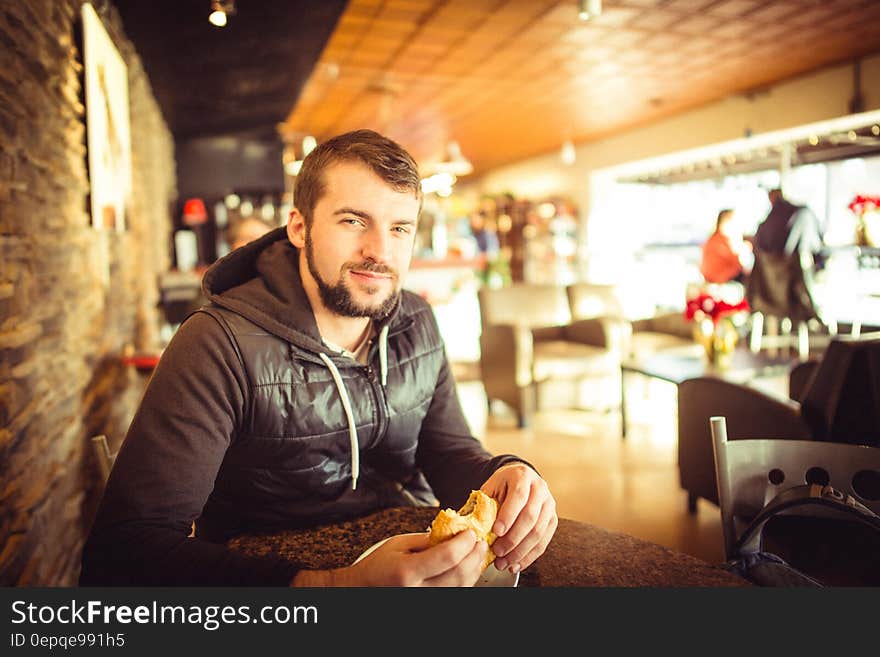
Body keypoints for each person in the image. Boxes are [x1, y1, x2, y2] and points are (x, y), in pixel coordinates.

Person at [80, 129, 557, 587]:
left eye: (399, 228)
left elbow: (449, 451)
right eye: (353, 221)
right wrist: (335, 587)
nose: (380, 252)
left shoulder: (416, 321)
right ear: (300, 228)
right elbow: (125, 552)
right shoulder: (217, 344)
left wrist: (507, 473)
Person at [752, 188, 824, 268]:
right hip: (785, 255)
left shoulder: (782, 211)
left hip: (787, 256)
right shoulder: (780, 212)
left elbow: (794, 236)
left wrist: (787, 252)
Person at [699, 208, 752, 284]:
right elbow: (738, 262)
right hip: (721, 281)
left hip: (720, 280)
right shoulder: (719, 241)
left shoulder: (716, 239)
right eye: (734, 222)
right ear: (724, 222)